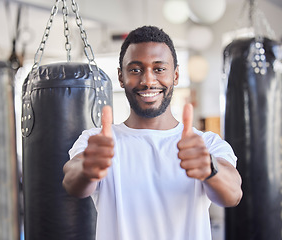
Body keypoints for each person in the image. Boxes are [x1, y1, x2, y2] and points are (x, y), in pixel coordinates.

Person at [62, 26, 242, 240]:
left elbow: (233, 194)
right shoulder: (99, 142)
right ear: (121, 77)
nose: (148, 81)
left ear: (175, 75)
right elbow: (72, 182)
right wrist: (87, 168)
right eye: (135, 70)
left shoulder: (205, 144)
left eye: (159, 69)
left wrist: (209, 167)